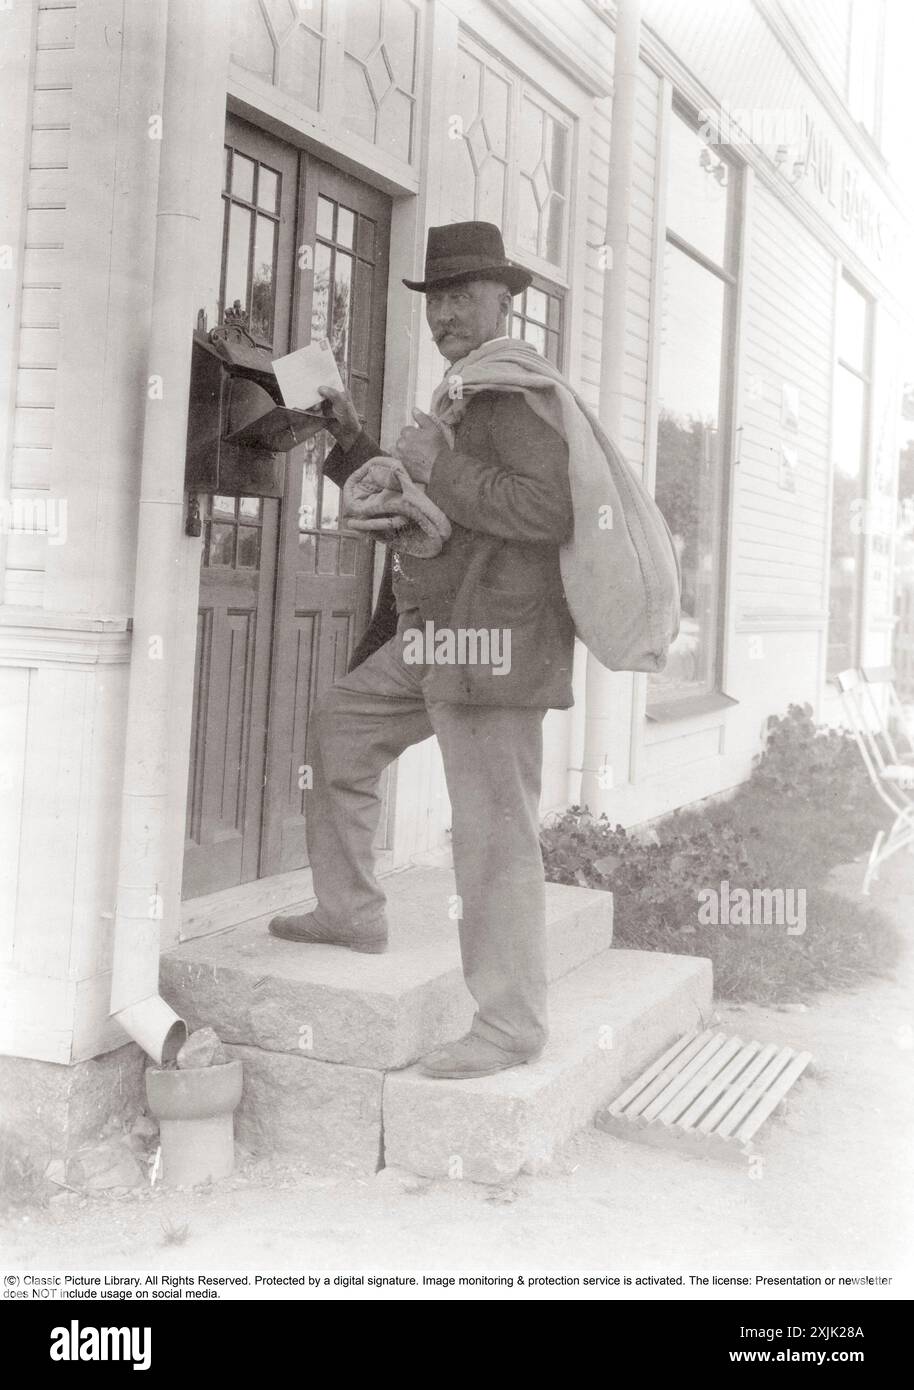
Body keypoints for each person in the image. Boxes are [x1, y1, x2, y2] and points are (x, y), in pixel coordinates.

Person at [269, 222, 575, 1080]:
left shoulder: (515, 392)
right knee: (340, 727)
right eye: (434, 298)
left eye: (461, 295)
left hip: (497, 648)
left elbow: (546, 514)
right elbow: (431, 500)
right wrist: (351, 441)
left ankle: (509, 1026)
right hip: (437, 635)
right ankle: (351, 912)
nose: (443, 312)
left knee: (492, 836)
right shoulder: (466, 389)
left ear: (502, 298)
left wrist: (437, 464)